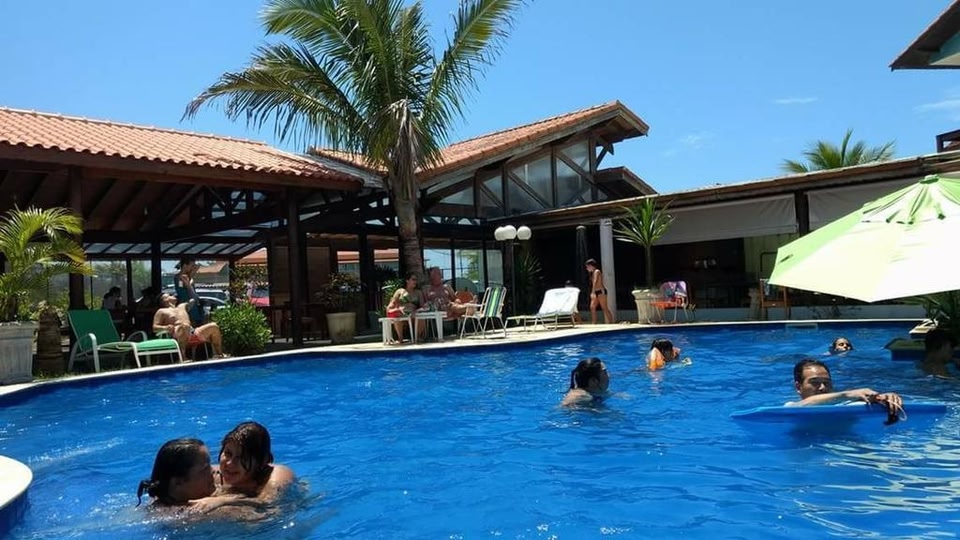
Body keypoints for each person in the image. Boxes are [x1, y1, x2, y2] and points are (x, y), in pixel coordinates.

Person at [786, 359, 904, 420]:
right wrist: (847, 394)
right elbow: (802, 405)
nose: (823, 387)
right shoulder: (790, 407)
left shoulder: (844, 405)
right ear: (798, 387)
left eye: (827, 383)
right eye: (815, 383)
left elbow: (869, 401)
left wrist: (885, 398)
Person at [215, 422, 295, 504]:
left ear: (261, 462)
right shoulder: (214, 476)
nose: (230, 463)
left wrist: (220, 501)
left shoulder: (277, 476)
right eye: (228, 453)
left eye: (242, 457)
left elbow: (268, 503)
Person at [136, 438, 217, 507]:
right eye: (205, 468)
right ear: (178, 483)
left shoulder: (168, 497)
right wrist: (223, 500)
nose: (213, 470)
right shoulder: (188, 513)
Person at [152, 293, 225, 358]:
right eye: (170, 295)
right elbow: (154, 327)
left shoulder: (182, 306)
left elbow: (194, 299)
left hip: (192, 332)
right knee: (184, 326)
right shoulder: (161, 311)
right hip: (177, 334)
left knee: (214, 326)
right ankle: (183, 357)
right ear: (164, 300)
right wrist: (165, 327)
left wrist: (188, 285)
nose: (173, 295)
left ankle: (219, 354)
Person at [385, 272, 427, 342]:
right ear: (407, 280)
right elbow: (391, 304)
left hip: (413, 314)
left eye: (416, 280)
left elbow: (422, 306)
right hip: (402, 313)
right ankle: (400, 338)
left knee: (421, 317)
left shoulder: (418, 292)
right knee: (396, 317)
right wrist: (392, 309)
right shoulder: (400, 291)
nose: (415, 282)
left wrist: (417, 311)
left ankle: (417, 337)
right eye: (413, 279)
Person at [175, 258, 204, 327]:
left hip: (193, 307)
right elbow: (183, 287)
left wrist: (192, 273)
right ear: (185, 265)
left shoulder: (188, 277)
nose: (193, 268)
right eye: (192, 266)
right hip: (187, 306)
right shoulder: (179, 277)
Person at [585, 259, 615, 324]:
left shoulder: (597, 271)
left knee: (604, 308)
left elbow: (595, 281)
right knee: (592, 307)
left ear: (591, 266)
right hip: (596, 291)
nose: (587, 268)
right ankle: (594, 322)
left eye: (587, 267)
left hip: (601, 291)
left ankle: (611, 322)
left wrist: (592, 292)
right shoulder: (592, 273)